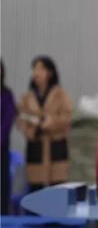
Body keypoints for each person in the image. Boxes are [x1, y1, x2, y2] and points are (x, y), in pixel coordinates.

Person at [16, 56, 73, 193]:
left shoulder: (61, 94)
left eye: (41, 69)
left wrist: (51, 122)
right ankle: (35, 214)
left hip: (56, 145)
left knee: (57, 187)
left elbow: (67, 116)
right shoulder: (27, 97)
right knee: (35, 187)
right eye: (34, 69)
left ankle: (56, 214)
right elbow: (20, 119)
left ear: (50, 73)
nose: (37, 73)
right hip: (36, 146)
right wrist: (32, 130)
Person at [1, 60, 17, 214]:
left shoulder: (6, 94)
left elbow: (8, 118)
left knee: (2, 181)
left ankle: (3, 213)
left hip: (1, 144)